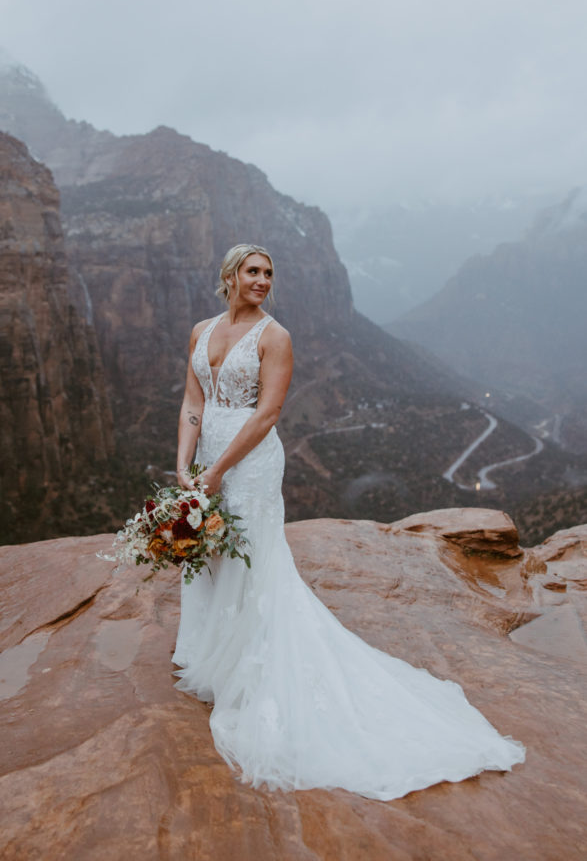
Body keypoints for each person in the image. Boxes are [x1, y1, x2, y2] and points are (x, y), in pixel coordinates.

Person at [172, 243, 525, 799]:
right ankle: (215, 651)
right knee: (210, 550)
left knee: (251, 555)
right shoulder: (200, 330)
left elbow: (267, 413)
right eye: (253, 271)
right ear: (229, 276)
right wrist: (183, 464)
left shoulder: (275, 336)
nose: (263, 280)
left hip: (250, 462)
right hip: (207, 460)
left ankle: (249, 662)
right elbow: (193, 399)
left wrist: (216, 470)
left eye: (269, 273)